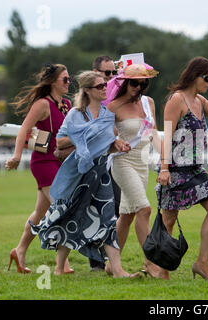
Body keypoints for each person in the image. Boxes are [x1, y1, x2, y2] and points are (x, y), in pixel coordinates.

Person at [29, 71, 139, 278]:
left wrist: (117, 144)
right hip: (79, 174)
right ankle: (60, 267)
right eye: (99, 86)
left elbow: (106, 143)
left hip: (101, 173)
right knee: (71, 217)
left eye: (105, 85)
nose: (104, 89)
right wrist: (86, 134)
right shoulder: (75, 115)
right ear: (87, 91)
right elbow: (60, 143)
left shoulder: (108, 114)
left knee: (108, 219)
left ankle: (117, 269)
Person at [157, 57, 208, 281]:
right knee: (168, 221)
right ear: (194, 76)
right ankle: (163, 271)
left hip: (196, 169)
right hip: (175, 168)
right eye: (207, 78)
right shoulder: (176, 100)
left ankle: (202, 264)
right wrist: (164, 168)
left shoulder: (200, 100)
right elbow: (167, 135)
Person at [5, 63, 73, 274]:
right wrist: (17, 156)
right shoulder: (43, 104)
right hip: (44, 163)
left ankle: (19, 250)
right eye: (65, 79)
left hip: (61, 162)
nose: (69, 82)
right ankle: (62, 264)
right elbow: (24, 129)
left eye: (69, 79)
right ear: (53, 82)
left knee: (40, 212)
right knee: (63, 208)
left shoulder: (67, 104)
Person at [107, 62, 164, 278]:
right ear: (124, 82)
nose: (138, 87)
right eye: (134, 83)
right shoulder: (113, 106)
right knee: (144, 209)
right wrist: (116, 141)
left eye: (143, 83)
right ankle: (150, 262)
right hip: (122, 163)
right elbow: (107, 138)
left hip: (142, 164)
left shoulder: (148, 103)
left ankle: (112, 264)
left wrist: (164, 161)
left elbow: (154, 132)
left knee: (127, 215)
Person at [88, 55, 121, 272]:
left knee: (115, 209)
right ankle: (96, 262)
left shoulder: (115, 96)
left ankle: (111, 261)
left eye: (113, 73)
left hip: (113, 162)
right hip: (92, 164)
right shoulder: (86, 101)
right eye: (106, 73)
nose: (110, 77)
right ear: (96, 72)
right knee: (93, 212)